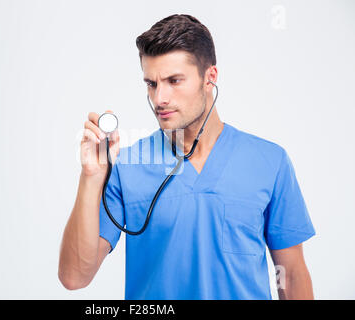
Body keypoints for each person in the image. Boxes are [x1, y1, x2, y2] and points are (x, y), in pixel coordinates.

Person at [58, 14, 316, 300]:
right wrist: (90, 178)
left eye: (174, 80)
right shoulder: (127, 166)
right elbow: (74, 277)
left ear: (210, 77)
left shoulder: (270, 161)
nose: (160, 99)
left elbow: (290, 276)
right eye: (152, 84)